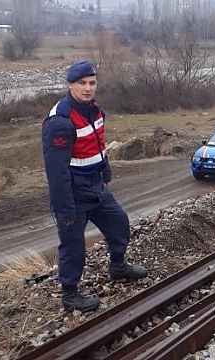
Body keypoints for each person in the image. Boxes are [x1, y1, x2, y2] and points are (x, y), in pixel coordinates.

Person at [42, 60, 147, 312]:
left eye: (92, 83)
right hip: (74, 194)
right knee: (73, 246)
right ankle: (70, 294)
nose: (88, 88)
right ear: (70, 85)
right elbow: (56, 173)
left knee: (119, 222)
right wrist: (65, 210)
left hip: (96, 186)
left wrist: (105, 171)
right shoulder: (61, 120)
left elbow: (98, 145)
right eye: (82, 83)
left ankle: (118, 267)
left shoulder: (94, 110)